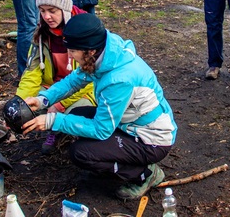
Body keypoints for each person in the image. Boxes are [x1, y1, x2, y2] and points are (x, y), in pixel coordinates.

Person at [22, 13, 177, 200]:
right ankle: (116, 160)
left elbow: (101, 130)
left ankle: (145, 174)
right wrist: (43, 99)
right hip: (128, 124)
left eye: (72, 50)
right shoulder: (104, 54)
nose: (69, 55)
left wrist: (52, 120)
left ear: (90, 51)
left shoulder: (119, 79)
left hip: (151, 139)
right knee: (78, 113)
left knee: (80, 153)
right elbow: (73, 81)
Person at [16, 0, 95, 154]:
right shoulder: (41, 34)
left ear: (64, 8)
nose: (47, 16)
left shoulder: (84, 31)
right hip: (51, 88)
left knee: (79, 113)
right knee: (28, 106)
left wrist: (59, 103)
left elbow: (89, 78)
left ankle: (63, 132)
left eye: (52, 10)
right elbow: (31, 72)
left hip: (82, 90)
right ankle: (55, 126)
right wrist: (19, 105)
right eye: (42, 11)